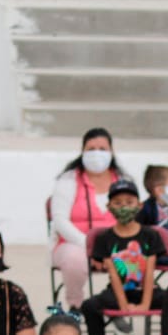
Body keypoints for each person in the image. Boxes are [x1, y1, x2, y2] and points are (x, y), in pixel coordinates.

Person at [79, 178, 167, 335]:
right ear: (109, 207)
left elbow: (150, 272)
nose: (124, 207)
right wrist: (124, 305)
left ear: (139, 205)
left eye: (129, 202)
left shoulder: (150, 235)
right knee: (89, 306)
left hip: (147, 290)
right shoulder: (105, 238)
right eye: (118, 203)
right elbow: (113, 273)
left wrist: (144, 305)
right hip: (118, 292)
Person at [49, 128, 127, 311]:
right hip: (73, 244)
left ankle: (115, 302)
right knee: (74, 260)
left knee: (134, 255)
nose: (97, 154)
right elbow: (59, 221)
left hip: (115, 245)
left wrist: (108, 250)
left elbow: (131, 219)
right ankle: (76, 306)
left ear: (111, 152)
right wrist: (92, 248)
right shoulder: (68, 180)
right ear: (82, 151)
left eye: (102, 149)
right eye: (91, 149)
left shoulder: (123, 181)